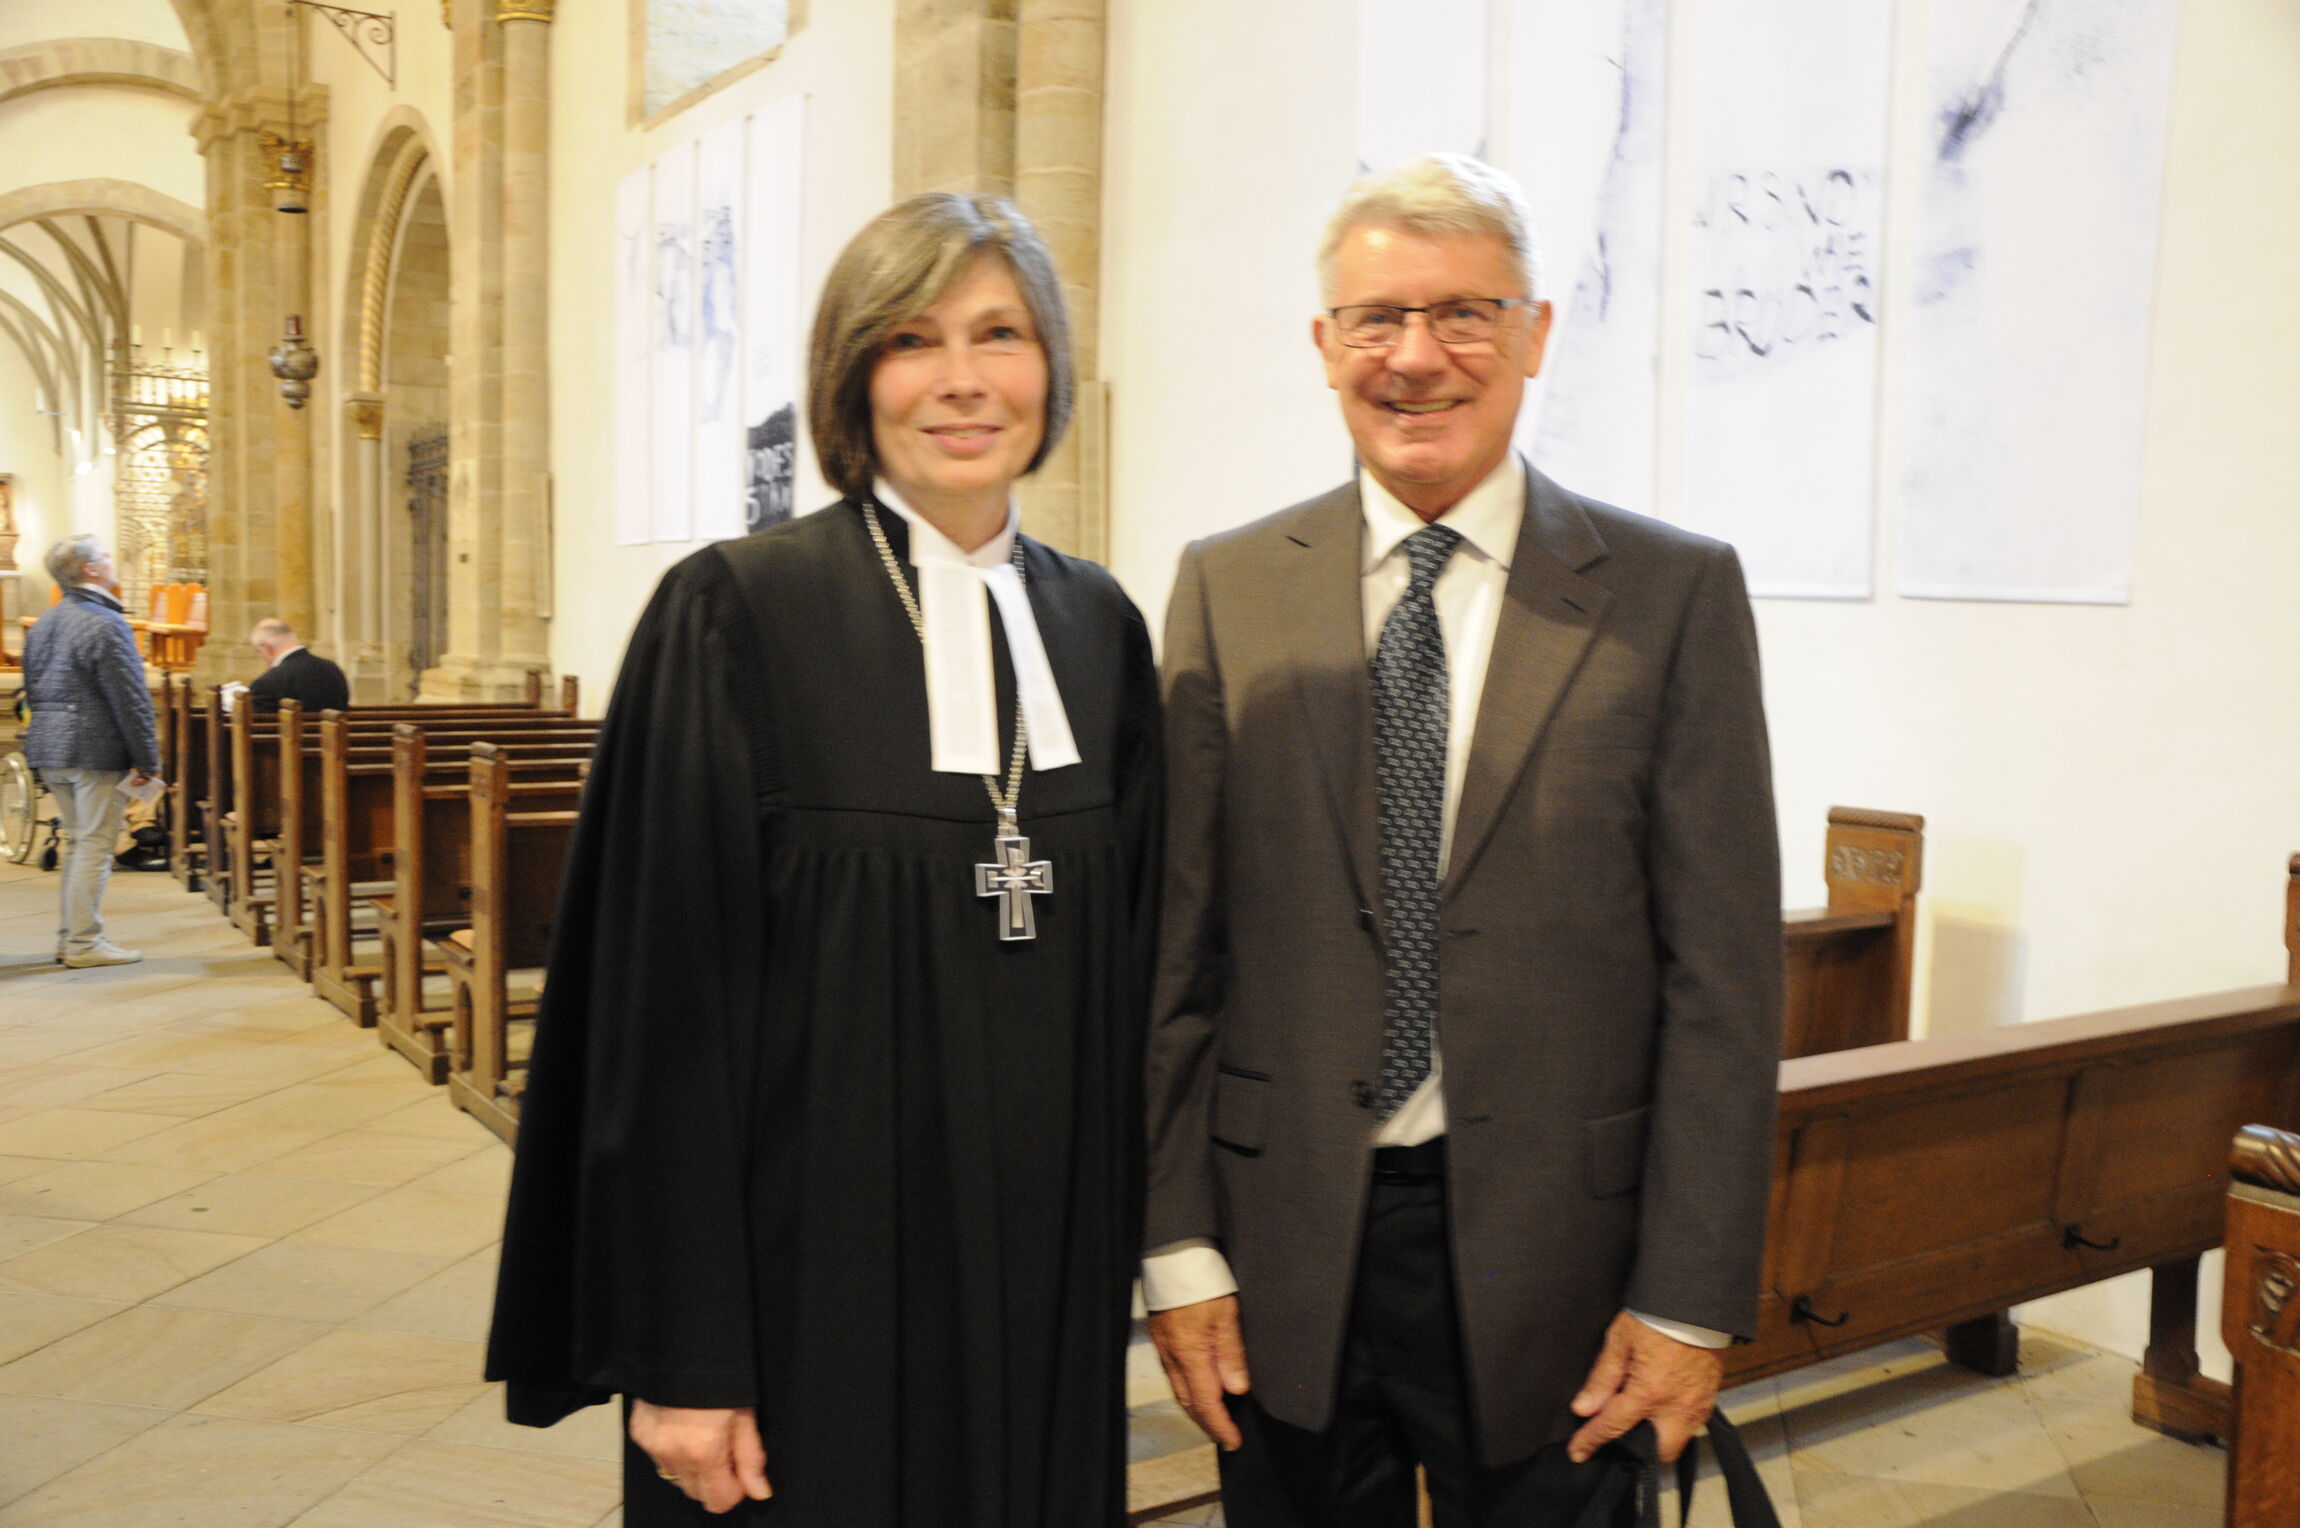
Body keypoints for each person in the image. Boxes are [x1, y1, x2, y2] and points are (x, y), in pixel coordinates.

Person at [487, 193, 1160, 1527]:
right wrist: (685, 1362)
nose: (962, 380)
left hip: (1048, 1303)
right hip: (807, 1309)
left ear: (1054, 370)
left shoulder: (1100, 632)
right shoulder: (735, 615)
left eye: (1000, 335)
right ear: (854, 379)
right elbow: (657, 1026)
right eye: (912, 341)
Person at [1143, 154, 1783, 1526]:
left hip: (1566, 1259)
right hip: (1285, 1248)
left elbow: (1723, 987)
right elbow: (1174, 958)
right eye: (1376, 318)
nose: (1416, 357)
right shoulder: (1226, 590)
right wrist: (1179, 1248)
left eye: (1463, 313)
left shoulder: (1671, 596)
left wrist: (1687, 1296)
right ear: (1324, 346)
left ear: (1536, 332)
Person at [22, 535, 162, 968]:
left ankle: (73, 939)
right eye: (104, 555)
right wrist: (148, 758)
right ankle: (83, 943)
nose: (111, 560)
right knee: (96, 845)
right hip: (94, 750)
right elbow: (130, 698)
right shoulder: (106, 622)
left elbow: (34, 688)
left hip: (50, 746)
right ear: (91, 570)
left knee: (80, 843)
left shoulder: (44, 622)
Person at [242, 618, 350, 713]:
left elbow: (259, 730)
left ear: (266, 647)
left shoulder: (267, 682)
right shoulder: (333, 669)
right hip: (337, 736)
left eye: (258, 651)